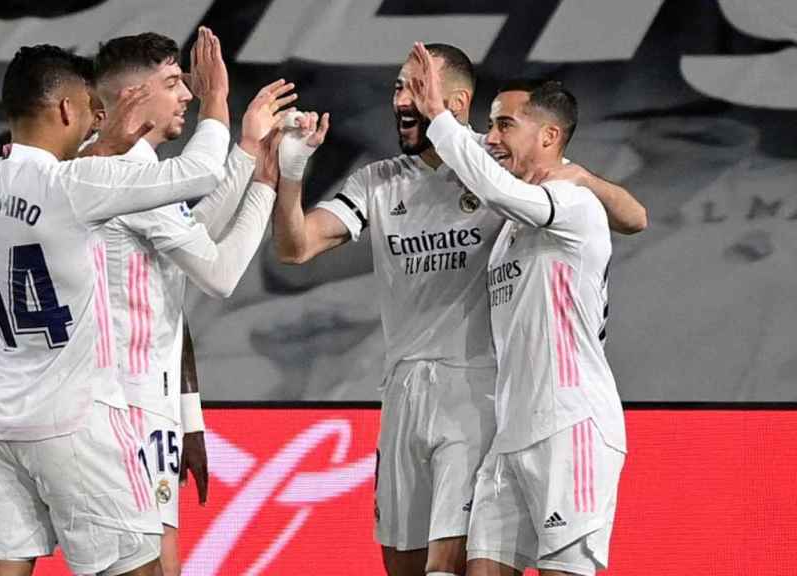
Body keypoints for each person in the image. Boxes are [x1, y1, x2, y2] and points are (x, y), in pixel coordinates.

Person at [271, 43, 645, 576]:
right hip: (403, 389)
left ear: (457, 101)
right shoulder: (378, 181)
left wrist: (584, 178)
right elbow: (294, 249)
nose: (401, 98)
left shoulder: (500, 167)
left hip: (479, 392)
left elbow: (631, 217)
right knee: (403, 563)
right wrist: (290, 175)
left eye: (414, 86)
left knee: (448, 563)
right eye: (397, 87)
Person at [0, 41, 232, 576]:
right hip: (79, 424)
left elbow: (44, 189)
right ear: (64, 110)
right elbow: (199, 173)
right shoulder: (75, 185)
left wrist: (106, 146)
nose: (93, 121)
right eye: (88, 109)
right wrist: (215, 101)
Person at [407, 42, 626, 576]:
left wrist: (439, 117)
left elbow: (497, 189)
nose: (490, 137)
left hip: (570, 426)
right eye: (488, 126)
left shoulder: (573, 204)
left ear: (549, 137)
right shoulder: (508, 230)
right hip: (510, 435)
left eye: (504, 126)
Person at [87, 29, 292, 576]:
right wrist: (221, 109)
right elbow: (218, 273)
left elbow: (191, 233)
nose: (186, 95)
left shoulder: (128, 180)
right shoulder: (118, 177)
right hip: (122, 409)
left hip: (139, 405)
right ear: (133, 95)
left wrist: (250, 158)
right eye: (174, 83)